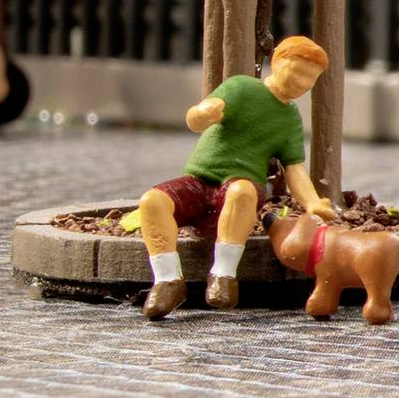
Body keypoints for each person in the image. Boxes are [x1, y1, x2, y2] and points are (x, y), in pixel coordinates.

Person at [134, 34, 340, 321]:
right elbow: (196, 119)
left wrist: (313, 203)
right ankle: (167, 281)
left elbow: (295, 168)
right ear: (277, 62)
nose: (303, 84)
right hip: (198, 181)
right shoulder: (242, 88)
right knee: (153, 201)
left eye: (311, 79)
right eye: (299, 72)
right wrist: (203, 113)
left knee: (243, 192)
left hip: (237, 187)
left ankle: (224, 275)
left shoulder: (289, 118)